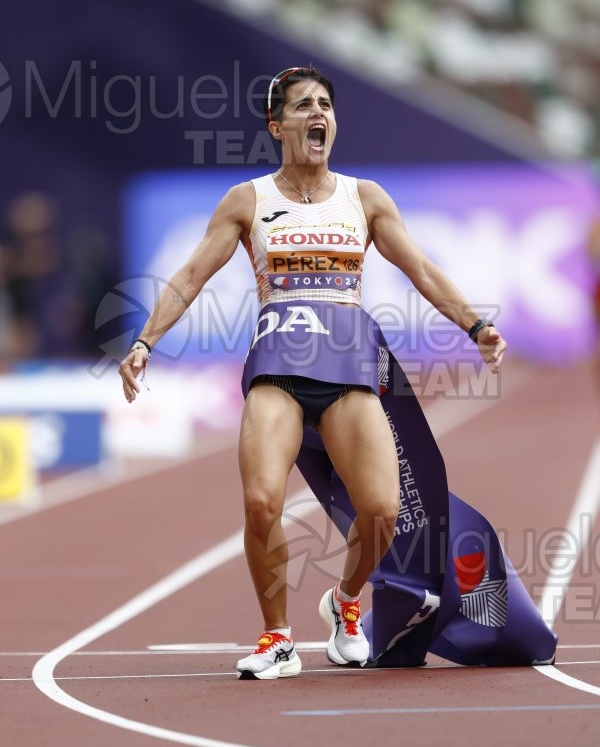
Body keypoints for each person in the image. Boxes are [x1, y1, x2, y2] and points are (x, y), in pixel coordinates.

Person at [119, 66, 507, 680]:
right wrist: (145, 342)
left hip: (349, 369)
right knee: (259, 500)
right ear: (277, 126)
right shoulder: (248, 200)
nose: (317, 114)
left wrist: (475, 327)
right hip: (278, 370)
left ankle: (346, 603)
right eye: (302, 106)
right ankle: (276, 638)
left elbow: (423, 271)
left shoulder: (365, 197)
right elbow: (192, 276)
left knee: (381, 511)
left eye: (325, 104)